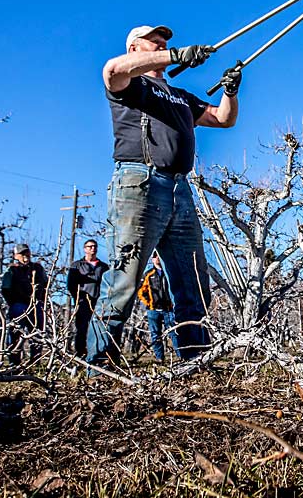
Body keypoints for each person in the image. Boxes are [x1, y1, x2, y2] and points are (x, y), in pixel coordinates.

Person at [87, 24, 242, 366]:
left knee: (192, 279)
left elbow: (223, 119)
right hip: (139, 181)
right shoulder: (129, 83)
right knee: (125, 277)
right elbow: (111, 70)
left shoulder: (182, 96)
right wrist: (175, 55)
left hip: (180, 188)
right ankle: (98, 367)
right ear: (134, 50)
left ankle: (195, 360)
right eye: (154, 42)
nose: (163, 45)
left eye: (166, 43)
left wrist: (230, 91)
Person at [1, 243, 48, 363]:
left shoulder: (38, 268)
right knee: (15, 334)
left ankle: (36, 361)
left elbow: (45, 285)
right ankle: (14, 362)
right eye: (21, 254)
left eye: (27, 253)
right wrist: (14, 302)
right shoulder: (12, 270)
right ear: (16, 255)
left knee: (37, 334)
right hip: (18, 305)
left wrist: (41, 301)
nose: (25, 256)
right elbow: (5, 289)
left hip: (36, 305)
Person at [66, 239, 109, 357]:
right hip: (83, 302)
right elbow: (71, 285)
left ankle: (99, 353)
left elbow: (108, 284)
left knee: (99, 329)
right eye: (90, 246)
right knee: (82, 328)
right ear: (85, 249)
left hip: (99, 303)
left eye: (95, 246)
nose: (93, 248)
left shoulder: (104, 267)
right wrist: (79, 298)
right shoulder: (77, 266)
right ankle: (80, 353)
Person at [137, 253, 180, 362]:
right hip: (153, 310)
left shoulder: (169, 272)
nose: (157, 259)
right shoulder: (148, 274)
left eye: (158, 256)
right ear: (152, 259)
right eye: (155, 257)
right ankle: (159, 358)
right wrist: (149, 303)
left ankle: (181, 356)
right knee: (155, 335)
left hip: (169, 309)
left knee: (174, 333)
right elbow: (141, 292)